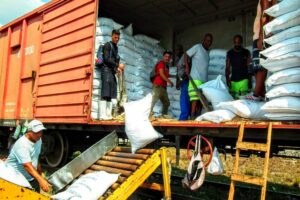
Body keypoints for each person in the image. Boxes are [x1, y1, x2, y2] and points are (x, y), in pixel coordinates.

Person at [5, 120, 51, 192]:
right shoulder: (22, 145)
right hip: (15, 180)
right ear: (29, 132)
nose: (39, 134)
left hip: (29, 178)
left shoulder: (38, 140)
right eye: (36, 132)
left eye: (41, 132)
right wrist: (41, 180)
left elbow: (36, 156)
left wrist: (40, 173)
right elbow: (27, 166)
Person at [244, 0, 276, 101]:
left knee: (259, 65)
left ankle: (257, 93)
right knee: (262, 63)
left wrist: (262, 35)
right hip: (267, 33)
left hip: (261, 34)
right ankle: (261, 92)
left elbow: (265, 14)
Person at [185, 33, 213, 119]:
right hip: (195, 77)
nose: (209, 43)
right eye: (207, 40)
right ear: (203, 40)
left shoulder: (207, 53)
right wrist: (186, 67)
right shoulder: (197, 47)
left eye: (210, 41)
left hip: (203, 80)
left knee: (201, 100)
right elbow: (186, 54)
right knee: (195, 98)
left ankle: (198, 116)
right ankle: (192, 115)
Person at [99, 29, 125, 119]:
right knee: (105, 93)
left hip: (111, 71)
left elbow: (113, 60)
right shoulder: (108, 45)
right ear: (112, 36)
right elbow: (106, 59)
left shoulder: (116, 47)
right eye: (115, 37)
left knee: (111, 93)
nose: (117, 39)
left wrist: (116, 69)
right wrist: (118, 65)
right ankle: (102, 115)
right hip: (106, 70)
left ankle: (108, 114)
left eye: (118, 37)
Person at [226, 34, 252, 99]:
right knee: (233, 101)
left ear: (241, 42)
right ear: (233, 42)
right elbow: (227, 67)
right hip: (233, 81)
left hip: (244, 80)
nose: (237, 44)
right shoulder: (230, 53)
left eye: (238, 42)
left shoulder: (246, 52)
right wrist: (227, 79)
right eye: (235, 42)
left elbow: (249, 66)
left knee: (244, 101)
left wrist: (250, 80)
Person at [150, 51, 174, 118]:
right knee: (153, 102)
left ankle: (163, 117)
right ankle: (147, 116)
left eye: (169, 57)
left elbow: (166, 74)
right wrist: (170, 81)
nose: (167, 58)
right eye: (166, 56)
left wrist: (174, 76)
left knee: (166, 103)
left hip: (163, 87)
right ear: (163, 57)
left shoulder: (166, 66)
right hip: (157, 85)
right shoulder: (161, 63)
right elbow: (161, 74)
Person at [176, 52, 191, 121]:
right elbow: (178, 72)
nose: (177, 51)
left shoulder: (184, 58)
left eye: (179, 50)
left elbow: (186, 70)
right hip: (182, 81)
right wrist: (177, 81)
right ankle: (185, 116)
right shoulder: (178, 60)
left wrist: (180, 80)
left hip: (185, 80)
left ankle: (183, 118)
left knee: (184, 98)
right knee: (185, 98)